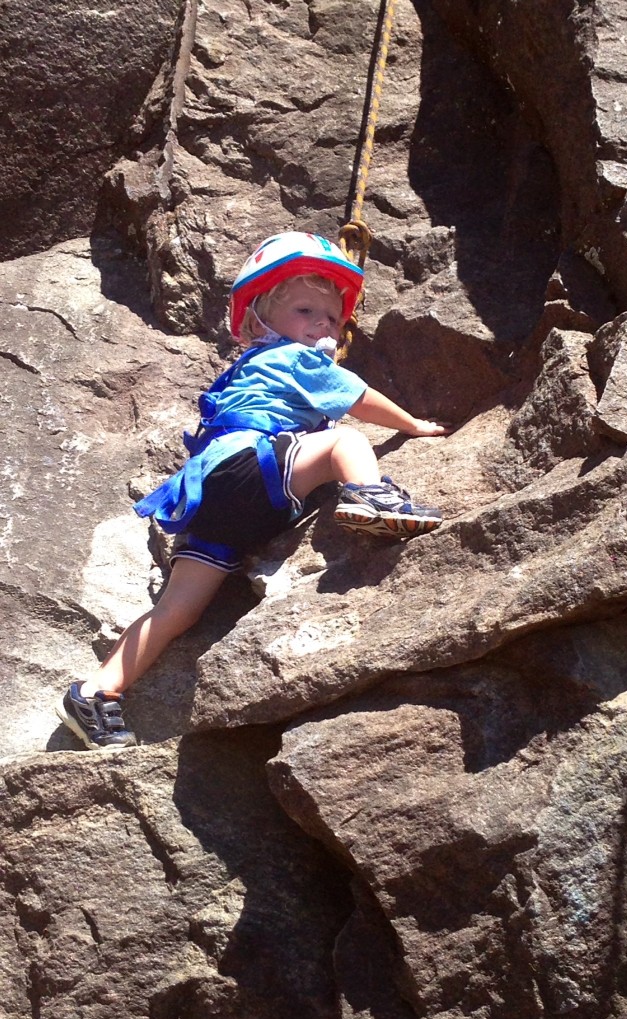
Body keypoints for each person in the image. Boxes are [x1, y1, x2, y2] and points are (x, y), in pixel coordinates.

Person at [56, 231, 451, 751]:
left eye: (331, 318)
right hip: (252, 466)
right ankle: (371, 497)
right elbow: (359, 398)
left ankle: (95, 692)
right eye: (306, 310)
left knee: (178, 611)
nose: (322, 325)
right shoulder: (296, 359)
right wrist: (413, 425)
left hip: (213, 499)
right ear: (257, 322)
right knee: (344, 442)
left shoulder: (245, 368)